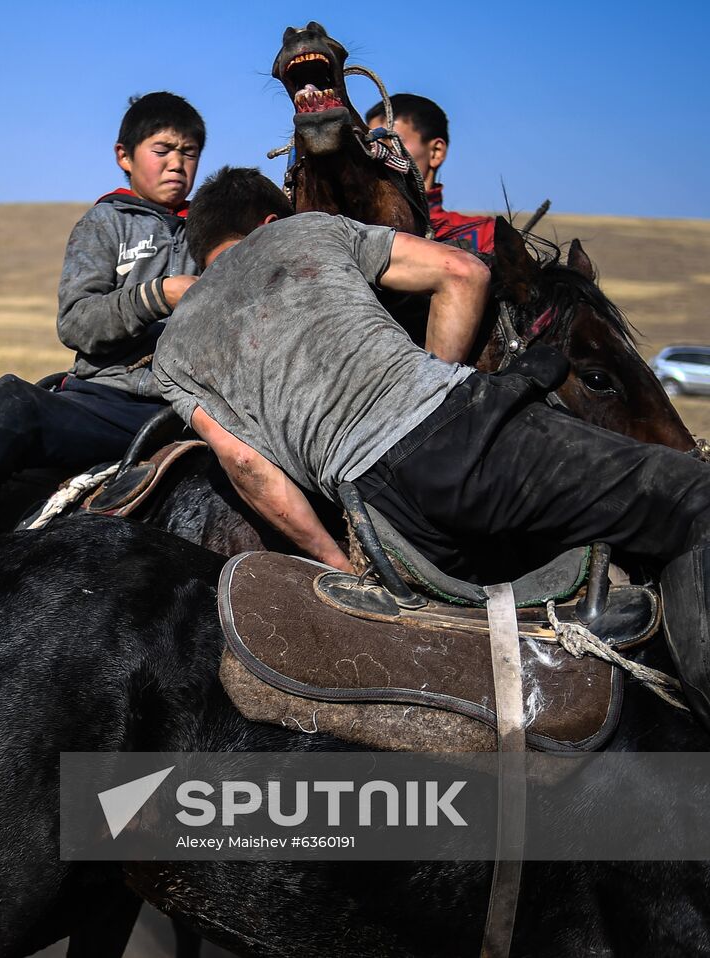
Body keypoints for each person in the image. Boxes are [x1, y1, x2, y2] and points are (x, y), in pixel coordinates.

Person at [154, 165, 710, 727]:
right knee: (695, 497)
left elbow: (248, 466)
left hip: (380, 511)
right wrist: (437, 390)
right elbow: (464, 273)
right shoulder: (305, 231)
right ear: (269, 222)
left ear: (199, 251)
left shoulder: (172, 350)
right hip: (462, 438)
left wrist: (337, 562)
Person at [0, 91, 205, 550]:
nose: (177, 163)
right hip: (102, 401)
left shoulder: (209, 229)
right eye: (163, 150)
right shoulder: (104, 224)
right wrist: (156, 296)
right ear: (124, 156)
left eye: (189, 152)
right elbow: (76, 322)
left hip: (184, 409)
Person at [364, 93, 495, 254]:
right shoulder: (358, 227)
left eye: (391, 144)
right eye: (371, 145)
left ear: (436, 152)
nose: (378, 153)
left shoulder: (483, 233)